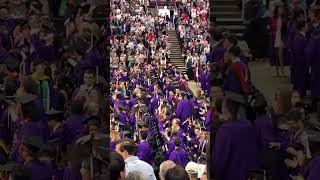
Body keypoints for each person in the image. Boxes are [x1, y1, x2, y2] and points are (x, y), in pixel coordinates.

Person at [212, 97, 258, 180]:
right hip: (249, 174)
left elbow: (220, 160)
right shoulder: (249, 125)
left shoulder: (225, 130)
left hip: (231, 174)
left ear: (225, 109)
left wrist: (217, 175)